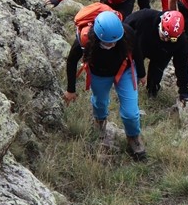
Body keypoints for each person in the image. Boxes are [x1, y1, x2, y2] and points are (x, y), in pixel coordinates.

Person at [63, 9, 147, 161]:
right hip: (99, 74)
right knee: (100, 103)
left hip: (124, 71)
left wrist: (141, 73)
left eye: (116, 41)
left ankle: (133, 136)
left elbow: (137, 52)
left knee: (131, 113)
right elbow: (71, 61)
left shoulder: (126, 32)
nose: (113, 44)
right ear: (99, 36)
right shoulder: (85, 40)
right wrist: (71, 90)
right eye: (109, 42)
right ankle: (100, 122)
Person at [127, 8, 188, 104]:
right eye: (164, 35)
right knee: (132, 75)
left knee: (155, 79)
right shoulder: (144, 17)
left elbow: (182, 66)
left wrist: (184, 91)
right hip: (139, 48)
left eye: (171, 39)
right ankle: (128, 95)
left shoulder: (181, 42)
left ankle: (151, 95)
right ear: (160, 24)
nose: (166, 40)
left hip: (162, 55)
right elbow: (124, 26)